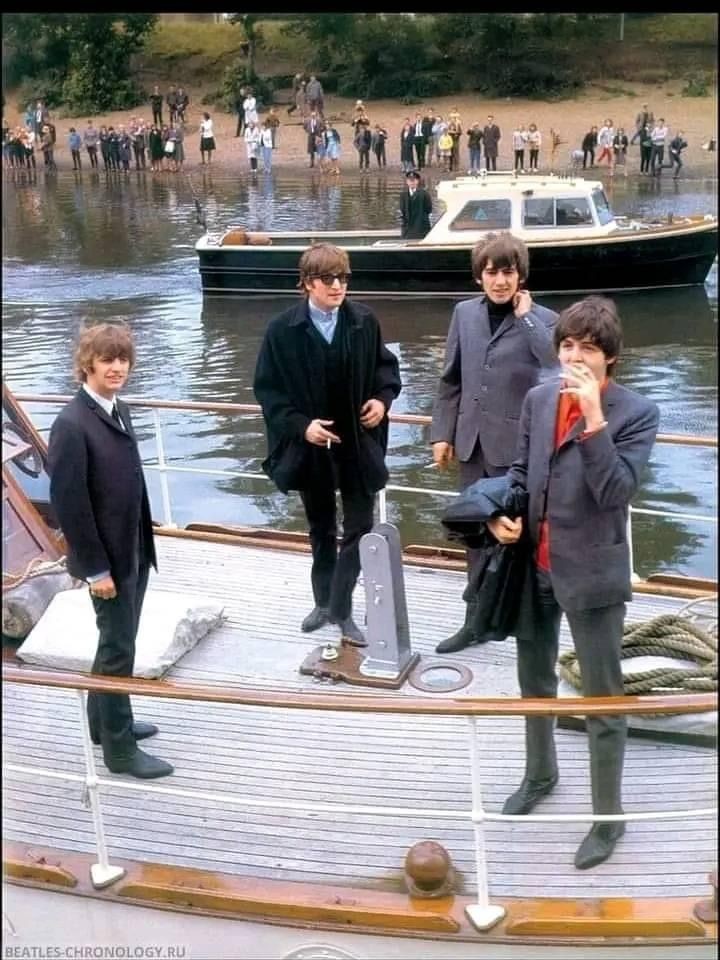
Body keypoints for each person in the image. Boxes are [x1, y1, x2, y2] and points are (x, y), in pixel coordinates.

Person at [488, 296, 659, 870]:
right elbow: (518, 473)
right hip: (533, 564)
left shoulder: (636, 413)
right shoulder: (538, 399)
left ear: (610, 358)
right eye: (567, 345)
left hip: (593, 571)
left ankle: (607, 821)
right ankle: (540, 774)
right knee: (533, 681)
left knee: (603, 702)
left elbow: (615, 493)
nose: (575, 356)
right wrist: (501, 515)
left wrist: (593, 421)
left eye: (588, 348)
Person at [253, 244, 401, 647]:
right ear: (306, 284)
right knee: (320, 528)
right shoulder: (281, 330)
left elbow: (386, 372)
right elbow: (268, 392)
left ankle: (342, 608)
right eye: (328, 279)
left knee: (360, 526)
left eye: (344, 278)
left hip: (357, 443)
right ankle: (323, 603)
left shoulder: (364, 322)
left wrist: (381, 401)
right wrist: (302, 427)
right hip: (312, 448)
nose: (338, 286)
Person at [47, 323, 173, 780]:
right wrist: (96, 568)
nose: (117, 367)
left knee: (118, 642)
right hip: (109, 562)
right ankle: (119, 752)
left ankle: (104, 722)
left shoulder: (116, 409)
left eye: (123, 359)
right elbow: (70, 504)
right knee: (118, 647)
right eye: (108, 360)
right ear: (88, 364)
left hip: (133, 550)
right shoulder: (71, 424)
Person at [430, 233, 558, 654]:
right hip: (471, 445)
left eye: (508, 271)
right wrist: (442, 434)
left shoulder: (546, 320)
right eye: (492, 272)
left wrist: (525, 318)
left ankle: (521, 626)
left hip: (516, 454)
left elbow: (556, 365)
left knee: (515, 542)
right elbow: (451, 380)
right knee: (475, 538)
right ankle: (474, 624)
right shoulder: (464, 314)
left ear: (521, 275)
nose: (500, 280)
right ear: (479, 276)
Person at [399, 170, 432, 239]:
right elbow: (403, 210)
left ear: (417, 181)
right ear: (407, 182)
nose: (412, 182)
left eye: (414, 180)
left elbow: (428, 209)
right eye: (410, 181)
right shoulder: (403, 195)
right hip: (408, 228)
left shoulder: (424, 194)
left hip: (421, 228)